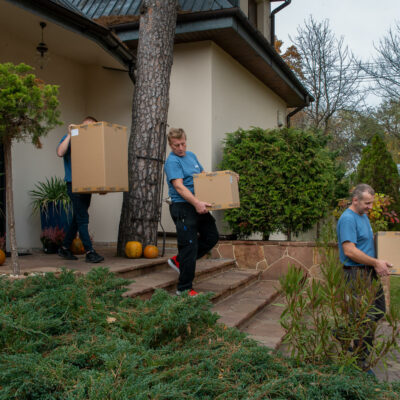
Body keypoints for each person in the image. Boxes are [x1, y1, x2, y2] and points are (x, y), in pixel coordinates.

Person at [337, 183, 391, 372]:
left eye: (371, 203)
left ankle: (343, 332)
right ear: (355, 200)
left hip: (368, 272)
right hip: (355, 274)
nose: (370, 207)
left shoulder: (363, 216)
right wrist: (375, 262)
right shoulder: (348, 219)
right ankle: (360, 363)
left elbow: (365, 243)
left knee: (378, 310)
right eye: (367, 203)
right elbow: (349, 250)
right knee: (364, 318)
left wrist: (381, 258)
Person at [164, 128, 219, 296]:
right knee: (189, 245)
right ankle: (184, 288)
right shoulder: (172, 162)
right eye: (176, 145)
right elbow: (179, 187)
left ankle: (179, 261)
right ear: (170, 145)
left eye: (182, 144)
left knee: (212, 237)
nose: (180, 148)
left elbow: (204, 176)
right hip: (182, 206)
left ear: (186, 141)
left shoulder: (192, 156)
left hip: (198, 204)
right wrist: (196, 203)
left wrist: (226, 178)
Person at [56, 116, 104, 263]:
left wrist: (102, 186)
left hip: (86, 186)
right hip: (73, 184)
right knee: (82, 217)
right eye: (85, 126)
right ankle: (90, 252)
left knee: (78, 218)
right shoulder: (72, 137)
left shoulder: (92, 144)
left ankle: (64, 248)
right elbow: (60, 152)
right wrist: (70, 134)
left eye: (92, 127)